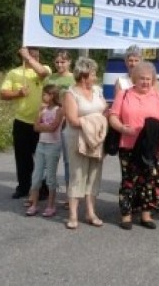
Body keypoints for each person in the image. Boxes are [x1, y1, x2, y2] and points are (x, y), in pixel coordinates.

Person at [108, 61, 159, 230]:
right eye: (142, 78)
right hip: (128, 144)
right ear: (134, 79)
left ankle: (146, 215)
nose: (145, 82)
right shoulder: (123, 94)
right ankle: (126, 215)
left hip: (150, 146)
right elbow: (113, 116)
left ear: (153, 80)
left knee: (149, 181)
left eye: (148, 79)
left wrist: (158, 127)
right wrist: (122, 128)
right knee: (128, 180)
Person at [0, 47, 51, 200]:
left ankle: (42, 188)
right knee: (22, 157)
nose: (35, 58)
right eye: (32, 55)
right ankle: (23, 187)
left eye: (37, 55)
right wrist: (18, 93)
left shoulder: (44, 68)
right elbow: (2, 94)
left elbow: (42, 73)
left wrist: (28, 57)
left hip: (41, 122)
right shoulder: (14, 73)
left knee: (42, 157)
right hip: (22, 120)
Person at [63, 57, 108, 229]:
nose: (95, 77)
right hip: (78, 139)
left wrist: (103, 120)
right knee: (77, 175)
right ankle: (73, 215)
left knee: (94, 175)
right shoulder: (70, 94)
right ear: (83, 76)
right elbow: (73, 120)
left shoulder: (98, 90)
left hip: (97, 139)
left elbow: (104, 109)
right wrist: (96, 120)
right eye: (93, 74)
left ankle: (91, 212)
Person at [25, 84, 65, 217]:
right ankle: (34, 204)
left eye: (45, 94)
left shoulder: (59, 110)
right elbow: (35, 127)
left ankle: (51, 205)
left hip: (53, 145)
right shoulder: (43, 109)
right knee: (36, 176)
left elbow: (54, 127)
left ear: (52, 95)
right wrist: (40, 118)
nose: (43, 97)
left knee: (50, 177)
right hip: (41, 144)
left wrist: (43, 126)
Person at [45, 50, 75, 205]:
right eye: (57, 62)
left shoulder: (74, 78)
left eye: (63, 62)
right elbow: (45, 99)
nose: (59, 65)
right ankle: (48, 192)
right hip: (52, 121)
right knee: (49, 159)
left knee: (68, 161)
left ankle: (70, 194)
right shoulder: (50, 78)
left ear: (69, 62)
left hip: (67, 122)